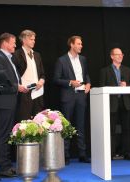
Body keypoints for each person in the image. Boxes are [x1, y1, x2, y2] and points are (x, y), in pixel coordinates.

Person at [0, 33, 28, 178]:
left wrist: (18, 86)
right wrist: (16, 87)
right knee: (4, 133)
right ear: (5, 43)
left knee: (7, 133)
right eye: (12, 43)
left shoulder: (8, 58)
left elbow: (10, 79)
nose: (15, 45)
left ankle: (7, 165)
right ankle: (4, 167)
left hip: (10, 100)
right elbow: (0, 82)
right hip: (5, 100)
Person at [53, 35, 91, 165]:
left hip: (81, 95)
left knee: (81, 125)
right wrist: (70, 82)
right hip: (68, 96)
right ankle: (66, 154)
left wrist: (88, 84)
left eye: (81, 44)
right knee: (67, 126)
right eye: (79, 44)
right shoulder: (61, 60)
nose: (81, 46)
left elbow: (86, 74)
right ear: (72, 45)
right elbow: (56, 79)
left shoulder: (83, 59)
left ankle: (82, 154)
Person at [99, 47, 130, 160]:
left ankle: (127, 152)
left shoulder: (127, 70)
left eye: (121, 54)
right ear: (112, 56)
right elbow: (102, 87)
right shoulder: (105, 71)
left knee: (126, 129)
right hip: (111, 103)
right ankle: (111, 153)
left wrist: (126, 86)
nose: (120, 56)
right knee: (111, 129)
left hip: (125, 102)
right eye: (117, 54)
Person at [13, 30, 45, 121]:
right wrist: (19, 86)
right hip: (24, 93)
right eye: (31, 39)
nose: (33, 41)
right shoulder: (16, 54)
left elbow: (42, 74)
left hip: (37, 92)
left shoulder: (37, 55)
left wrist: (41, 81)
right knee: (24, 121)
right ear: (24, 40)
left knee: (38, 121)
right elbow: (13, 74)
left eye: (34, 39)